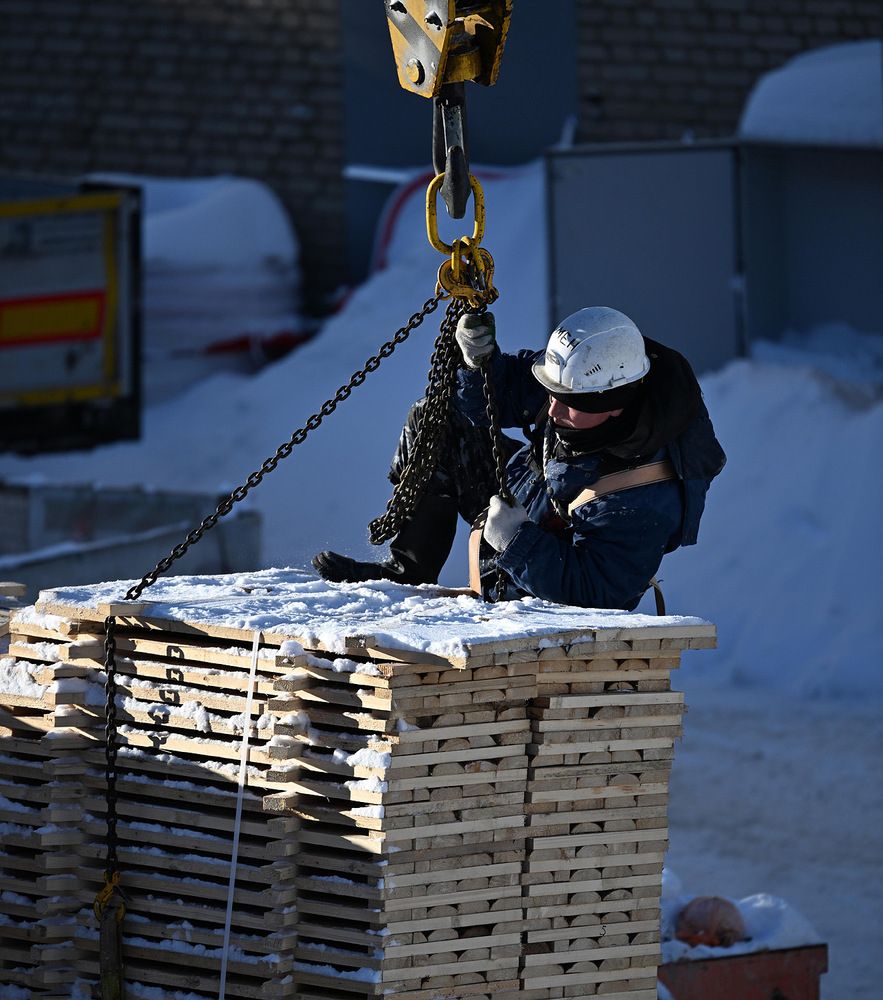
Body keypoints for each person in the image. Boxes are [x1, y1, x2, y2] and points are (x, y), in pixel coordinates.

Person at [313, 306, 726, 610]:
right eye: (551, 394)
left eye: (566, 403)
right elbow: (502, 391)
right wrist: (478, 362)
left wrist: (516, 541)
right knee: (435, 422)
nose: (551, 409)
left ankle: (501, 584)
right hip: (523, 496)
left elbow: (596, 591)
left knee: (547, 587)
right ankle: (409, 570)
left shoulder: (644, 497)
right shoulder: (580, 379)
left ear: (614, 406)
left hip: (551, 580)